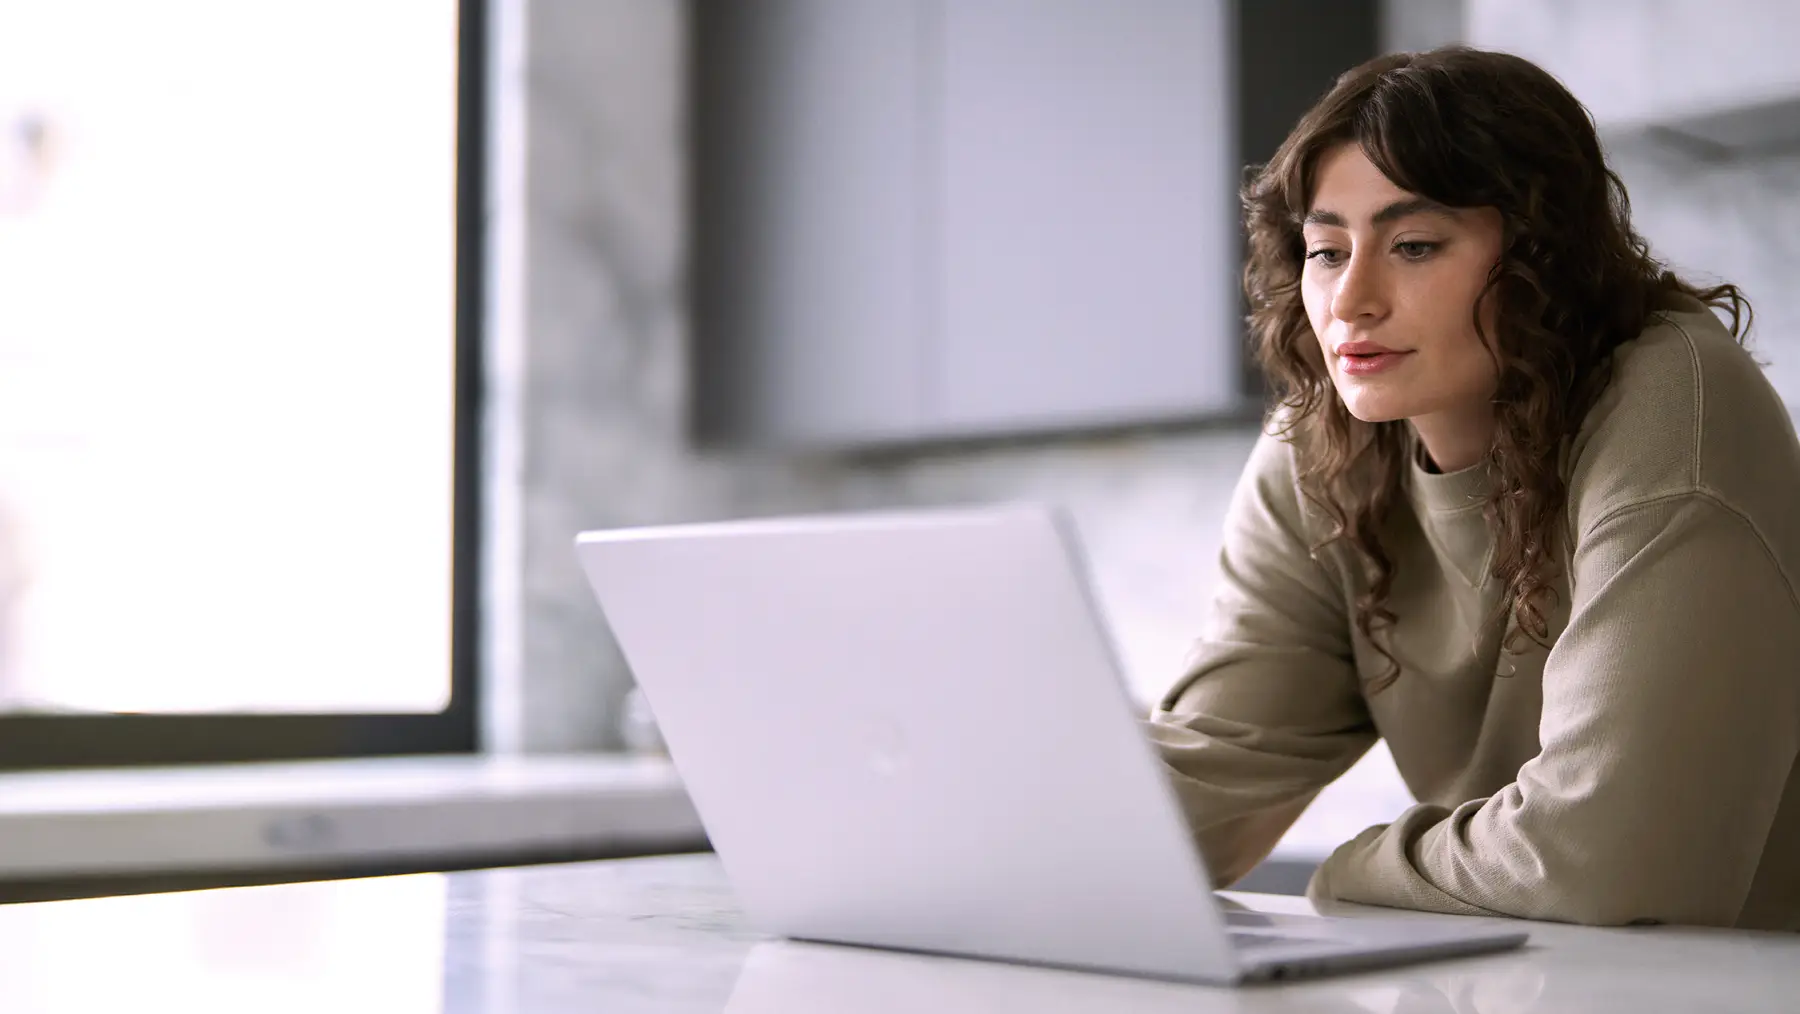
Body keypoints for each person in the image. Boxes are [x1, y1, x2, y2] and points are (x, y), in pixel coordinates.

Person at [1147, 46, 1800, 930]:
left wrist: (1353, 870)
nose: (1351, 302)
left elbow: (1600, 861)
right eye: (1326, 250)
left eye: (1414, 245)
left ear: (1542, 255)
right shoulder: (1323, 445)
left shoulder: (1676, 408)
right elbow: (1212, 769)